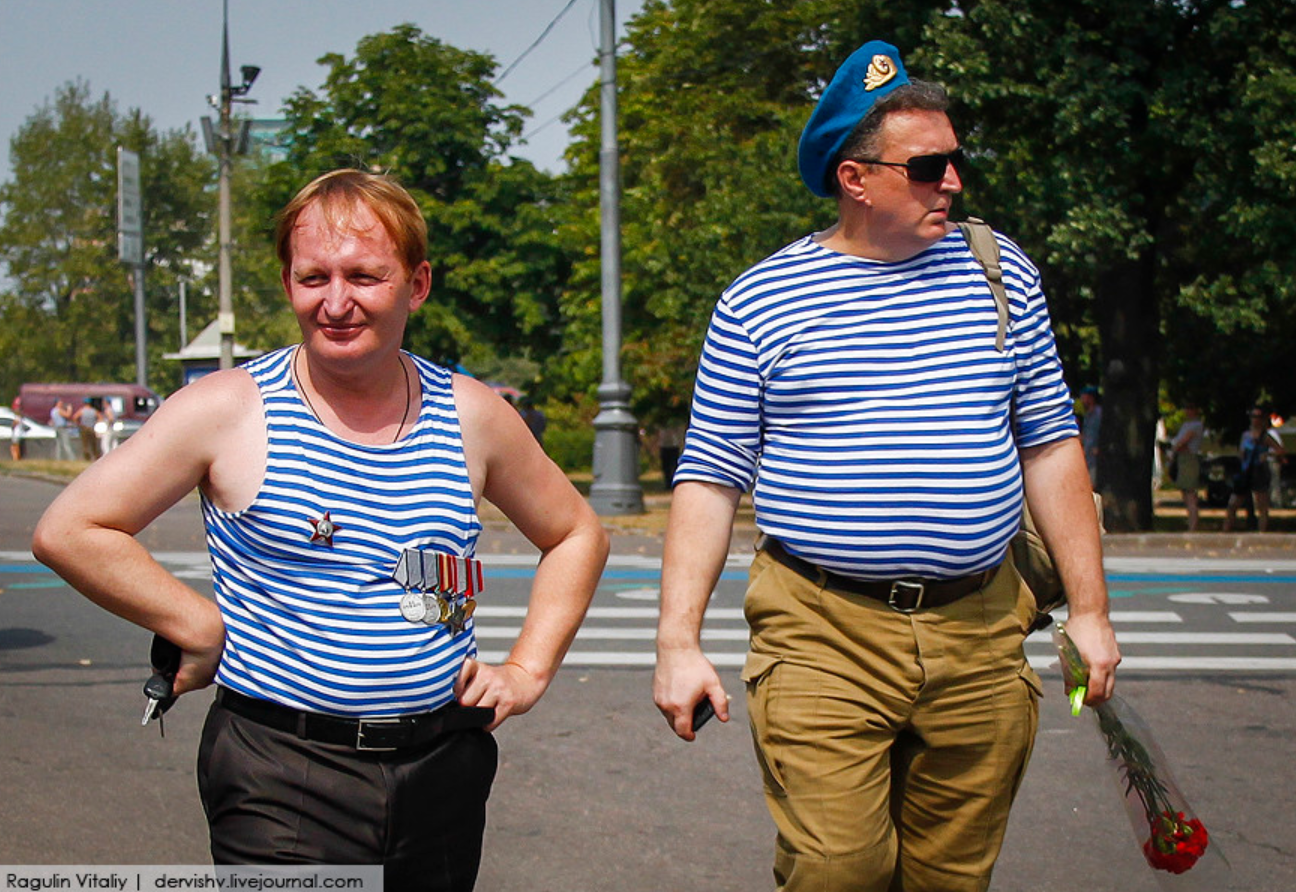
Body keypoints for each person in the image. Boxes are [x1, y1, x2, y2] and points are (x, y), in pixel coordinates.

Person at [33, 169, 609, 890]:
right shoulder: (227, 407)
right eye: (314, 278)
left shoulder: (471, 413)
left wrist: (527, 669)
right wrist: (197, 623)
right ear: (287, 283)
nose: (336, 303)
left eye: (365, 276)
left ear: (417, 284)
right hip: (282, 772)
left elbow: (575, 533)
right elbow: (72, 528)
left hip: (440, 766)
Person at [653, 42, 1119, 892]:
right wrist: (676, 642)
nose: (953, 182)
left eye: (955, 161)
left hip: (980, 626)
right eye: (929, 165)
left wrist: (1089, 612)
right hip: (822, 629)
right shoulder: (758, 300)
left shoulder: (997, 270)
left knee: (952, 878)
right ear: (855, 179)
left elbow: (1051, 442)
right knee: (838, 870)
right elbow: (710, 477)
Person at [1223, 406, 1285, 532]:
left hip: (1259, 470)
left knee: (1262, 505)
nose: (1254, 419)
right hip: (1246, 470)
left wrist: (1267, 455)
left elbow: (1280, 450)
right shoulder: (1245, 435)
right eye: (1252, 416)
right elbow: (1241, 452)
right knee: (1233, 503)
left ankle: (1261, 532)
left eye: (1257, 417)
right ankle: (1226, 530)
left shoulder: (1265, 436)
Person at [1168, 405, 1204, 531]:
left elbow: (1183, 442)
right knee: (1185, 493)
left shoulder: (1196, 425)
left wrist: (1174, 448)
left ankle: (1193, 526)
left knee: (1190, 494)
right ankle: (1190, 523)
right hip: (1181, 460)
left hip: (1189, 459)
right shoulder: (1185, 425)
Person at [1079, 385, 1102, 489]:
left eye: (1084, 397)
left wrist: (1099, 447)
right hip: (1088, 456)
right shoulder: (1088, 415)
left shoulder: (1099, 414)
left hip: (1096, 457)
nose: (1082, 400)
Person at [74, 396, 102, 461]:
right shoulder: (94, 411)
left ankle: (87, 457)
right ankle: (95, 457)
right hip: (91, 428)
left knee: (85, 444)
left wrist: (79, 424)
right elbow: (100, 417)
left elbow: (75, 417)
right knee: (93, 444)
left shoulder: (82, 411)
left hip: (84, 428)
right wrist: (95, 422)